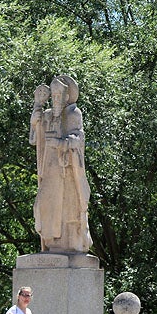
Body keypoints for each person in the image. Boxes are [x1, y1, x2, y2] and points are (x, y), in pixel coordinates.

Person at [29, 74, 93, 254]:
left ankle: (70, 244)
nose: (56, 99)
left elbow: (79, 139)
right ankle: (50, 243)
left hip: (67, 172)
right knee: (43, 205)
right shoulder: (47, 115)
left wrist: (61, 143)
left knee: (69, 210)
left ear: (67, 96)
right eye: (54, 96)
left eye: (60, 96)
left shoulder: (73, 113)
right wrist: (35, 120)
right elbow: (34, 140)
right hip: (49, 170)